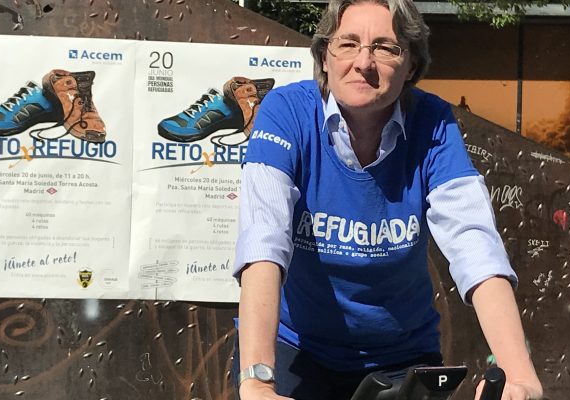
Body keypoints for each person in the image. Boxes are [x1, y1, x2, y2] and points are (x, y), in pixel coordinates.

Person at [231, 0, 543, 399]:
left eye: (385, 47)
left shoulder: (432, 122)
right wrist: (258, 382)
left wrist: (519, 374)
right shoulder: (286, 112)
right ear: (324, 57)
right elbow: (263, 240)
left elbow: (474, 243)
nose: (364, 62)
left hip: (401, 354)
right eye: (347, 44)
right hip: (296, 349)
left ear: (411, 65)